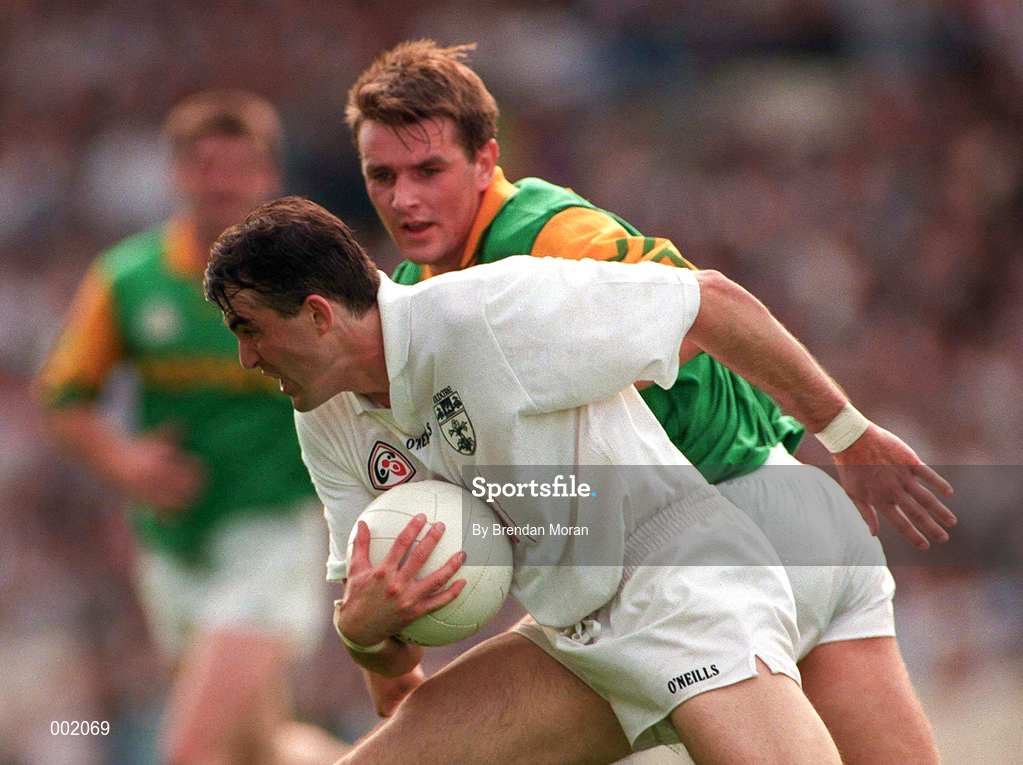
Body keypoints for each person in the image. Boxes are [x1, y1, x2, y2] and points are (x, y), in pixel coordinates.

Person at [341, 41, 950, 764]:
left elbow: (705, 311)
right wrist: (385, 639)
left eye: (428, 170)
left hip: (723, 528)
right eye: (382, 176)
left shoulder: (552, 237)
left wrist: (846, 432)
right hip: (790, 529)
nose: (403, 198)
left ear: (485, 161)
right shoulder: (415, 300)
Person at [203, 195, 953, 765]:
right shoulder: (323, 417)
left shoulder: (484, 313)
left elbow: (711, 301)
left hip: (683, 588)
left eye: (248, 329)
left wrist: (847, 433)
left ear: (316, 315)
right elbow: (392, 661)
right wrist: (362, 633)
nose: (245, 360)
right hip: (573, 638)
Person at [33, 92, 347, 765]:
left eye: (241, 167)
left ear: (268, 176)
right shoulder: (129, 280)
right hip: (174, 544)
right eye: (207, 165)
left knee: (190, 750)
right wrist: (124, 463)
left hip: (272, 532)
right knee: (258, 746)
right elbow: (64, 396)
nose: (224, 182)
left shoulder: (309, 280)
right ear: (176, 174)